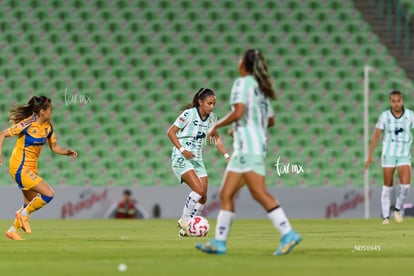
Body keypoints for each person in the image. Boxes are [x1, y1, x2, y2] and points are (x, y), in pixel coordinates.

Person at [195, 49, 301, 255]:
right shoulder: (260, 89)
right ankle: (219, 242)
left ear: (243, 64)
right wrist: (243, 128)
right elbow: (270, 120)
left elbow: (238, 112)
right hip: (250, 147)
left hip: (248, 149)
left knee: (259, 193)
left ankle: (288, 233)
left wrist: (216, 127)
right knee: (226, 193)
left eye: (239, 59)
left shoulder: (242, 83)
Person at [0, 96, 78, 240]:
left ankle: (12, 231)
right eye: (50, 110)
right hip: (19, 167)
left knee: (30, 203)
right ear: (42, 111)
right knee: (48, 194)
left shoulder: (48, 127)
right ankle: (22, 214)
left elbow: (54, 147)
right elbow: (2, 134)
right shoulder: (27, 124)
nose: (52, 113)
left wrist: (67, 152)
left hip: (31, 168)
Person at [167, 88, 230, 237]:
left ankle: (187, 230)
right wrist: (183, 150)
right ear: (200, 102)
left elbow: (216, 139)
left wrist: (227, 156)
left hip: (197, 159)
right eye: (209, 103)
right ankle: (184, 221)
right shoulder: (188, 114)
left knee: (203, 196)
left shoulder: (212, 118)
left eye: (214, 104)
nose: (212, 106)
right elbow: (170, 132)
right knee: (198, 190)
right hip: (182, 156)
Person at [365, 90, 413, 224]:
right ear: (390, 102)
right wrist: (369, 156)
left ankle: (397, 208)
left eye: (398, 101)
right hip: (389, 154)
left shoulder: (410, 115)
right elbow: (376, 136)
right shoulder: (385, 116)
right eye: (393, 101)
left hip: (404, 154)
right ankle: (386, 217)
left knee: (406, 186)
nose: (396, 104)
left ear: (402, 101)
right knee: (388, 186)